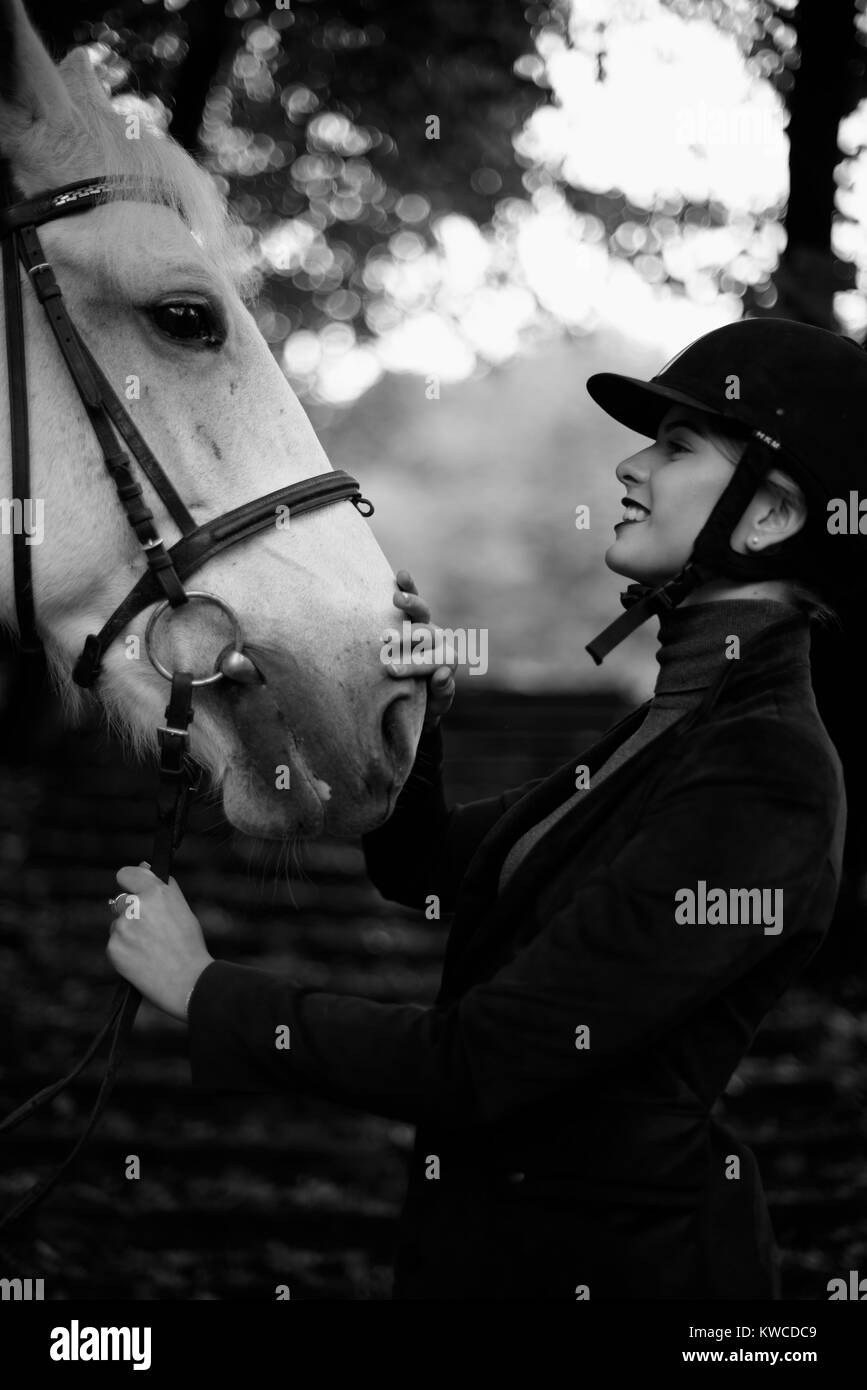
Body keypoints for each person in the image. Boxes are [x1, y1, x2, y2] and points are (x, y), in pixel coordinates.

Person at [108, 317, 867, 1300]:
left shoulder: (763, 771)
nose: (631, 468)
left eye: (677, 447)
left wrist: (205, 990)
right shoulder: (676, 728)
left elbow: (481, 1061)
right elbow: (421, 866)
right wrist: (420, 720)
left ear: (767, 517)